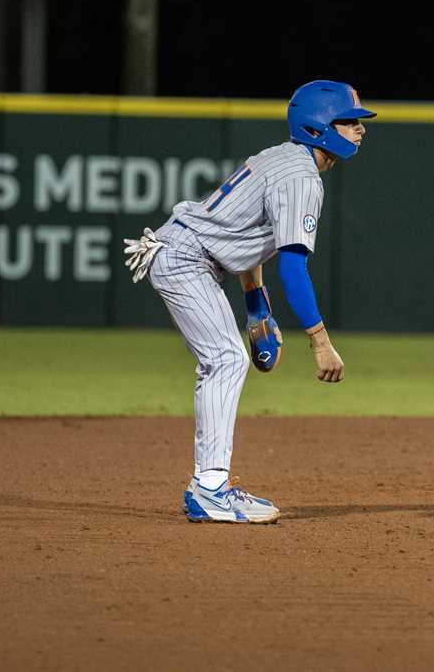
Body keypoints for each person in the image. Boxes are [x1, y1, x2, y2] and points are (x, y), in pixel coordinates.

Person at [123, 80, 374, 524]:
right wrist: (320, 341)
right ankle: (210, 490)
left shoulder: (282, 157)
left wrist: (256, 305)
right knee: (226, 360)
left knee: (226, 359)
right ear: (319, 127)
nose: (359, 129)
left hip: (189, 254)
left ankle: (211, 487)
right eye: (350, 121)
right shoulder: (302, 178)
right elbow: (293, 269)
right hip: (186, 260)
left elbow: (244, 238)